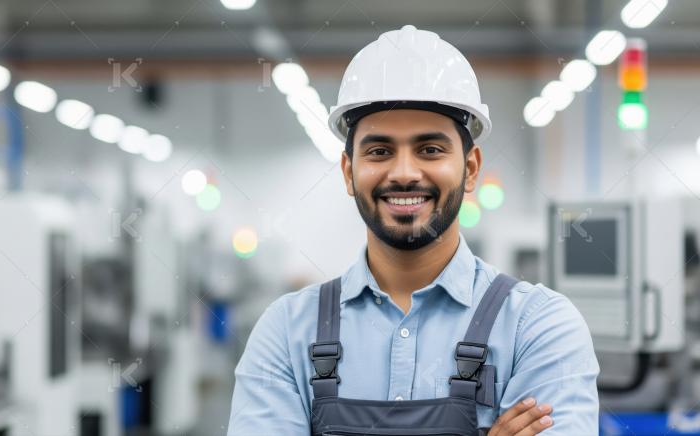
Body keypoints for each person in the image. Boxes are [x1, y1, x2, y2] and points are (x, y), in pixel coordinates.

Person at [228, 25, 599, 436]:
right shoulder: (285, 331)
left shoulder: (539, 326)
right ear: (350, 172)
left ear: (470, 168)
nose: (404, 173)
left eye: (430, 149)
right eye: (380, 151)